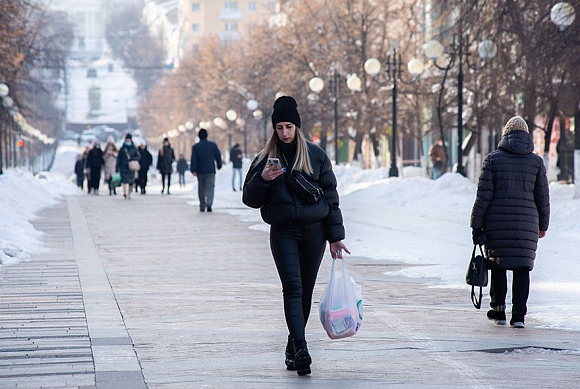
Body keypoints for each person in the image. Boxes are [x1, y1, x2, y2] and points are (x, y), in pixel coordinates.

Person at [242, 96, 349, 376]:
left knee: (305, 293)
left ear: (297, 127)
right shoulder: (264, 160)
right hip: (283, 232)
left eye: (289, 126)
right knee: (292, 288)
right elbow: (249, 199)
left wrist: (335, 236)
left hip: (314, 232)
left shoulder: (315, 155)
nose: (285, 133)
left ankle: (292, 346)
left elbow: (331, 197)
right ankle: (302, 348)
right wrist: (263, 179)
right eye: (279, 128)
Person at [471, 116, 550, 329]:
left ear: (506, 134)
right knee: (522, 268)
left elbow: (483, 196)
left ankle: (498, 310)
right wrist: (543, 225)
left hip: (497, 222)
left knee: (498, 265)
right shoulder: (536, 162)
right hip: (527, 225)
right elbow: (542, 197)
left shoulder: (492, 160)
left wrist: (476, 225)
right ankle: (519, 316)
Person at [190, 128, 222, 212]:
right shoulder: (212, 145)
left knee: (201, 188)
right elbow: (218, 155)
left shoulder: (196, 147)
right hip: (210, 170)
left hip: (200, 171)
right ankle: (209, 204)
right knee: (210, 187)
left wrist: (193, 169)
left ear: (199, 136)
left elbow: (193, 158)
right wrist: (219, 165)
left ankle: (202, 205)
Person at [116, 133, 140, 199]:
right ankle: (125, 192)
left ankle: (129, 193)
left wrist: (132, 159)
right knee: (124, 180)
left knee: (131, 181)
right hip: (123, 166)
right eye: (127, 140)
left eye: (129, 139)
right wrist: (117, 167)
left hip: (131, 167)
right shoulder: (122, 149)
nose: (128, 141)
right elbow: (119, 158)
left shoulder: (134, 148)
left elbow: (138, 156)